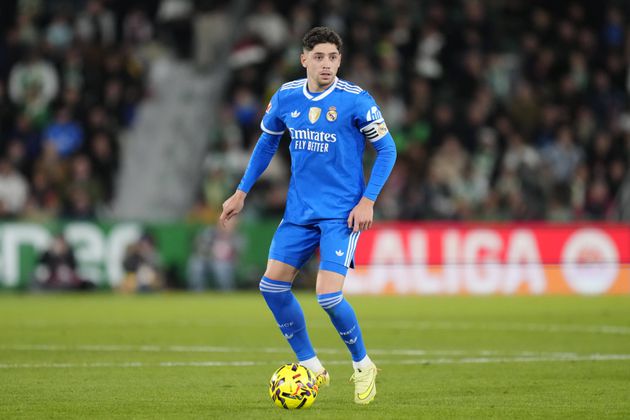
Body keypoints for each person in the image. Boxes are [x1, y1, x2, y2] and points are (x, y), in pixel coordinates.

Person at [220, 27, 396, 405]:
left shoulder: (356, 101)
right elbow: (266, 143)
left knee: (328, 297)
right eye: (318, 57)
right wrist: (241, 191)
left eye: (333, 57)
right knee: (271, 287)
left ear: (340, 60)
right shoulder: (286, 97)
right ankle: (311, 365)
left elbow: (388, 150)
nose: (326, 64)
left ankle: (362, 365)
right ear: (304, 60)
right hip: (299, 212)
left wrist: (368, 201)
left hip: (341, 215)